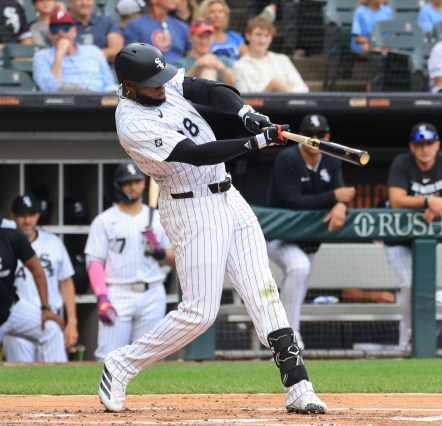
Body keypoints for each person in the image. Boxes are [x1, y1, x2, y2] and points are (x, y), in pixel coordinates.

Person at [97, 42, 327, 415]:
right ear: (128, 86)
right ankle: (122, 363)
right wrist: (254, 141)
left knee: (264, 293)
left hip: (228, 196)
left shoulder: (159, 84)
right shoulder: (132, 122)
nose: (161, 87)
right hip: (191, 207)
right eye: (152, 84)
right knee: (200, 313)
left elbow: (207, 89)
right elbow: (194, 153)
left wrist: (245, 112)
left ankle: (299, 387)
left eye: (161, 79)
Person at [266, 114, 356, 350]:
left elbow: (342, 193)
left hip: (308, 240)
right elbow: (293, 201)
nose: (314, 140)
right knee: (299, 267)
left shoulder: (331, 160)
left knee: (301, 278)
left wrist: (341, 205)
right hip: (278, 235)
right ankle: (288, 335)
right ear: (300, 137)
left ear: (327, 137)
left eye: (320, 135)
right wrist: (334, 197)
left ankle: (284, 334)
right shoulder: (287, 159)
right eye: (310, 135)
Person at [84, 161, 175, 361]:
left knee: (147, 358)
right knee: (109, 356)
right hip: (118, 292)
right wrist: (102, 298)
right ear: (118, 185)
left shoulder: (159, 219)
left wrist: (159, 252)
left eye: (136, 181)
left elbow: (174, 259)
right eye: (127, 183)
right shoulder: (105, 220)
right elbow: (95, 262)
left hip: (152, 292)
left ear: (144, 183)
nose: (133, 187)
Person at [385, 123, 442, 350]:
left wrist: (440, 203)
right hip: (398, 239)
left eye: (429, 143)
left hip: (427, 241)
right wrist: (428, 201)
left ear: (437, 144)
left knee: (426, 288)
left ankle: (416, 339)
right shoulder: (402, 163)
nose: (425, 149)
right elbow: (397, 200)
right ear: (412, 146)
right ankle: (407, 339)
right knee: (410, 284)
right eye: (420, 144)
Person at [2, 195, 78, 362]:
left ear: (38, 215)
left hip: (46, 313)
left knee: (56, 368)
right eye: (22, 215)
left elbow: (66, 281)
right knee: (21, 378)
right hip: (16, 312)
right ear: (12, 216)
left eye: (32, 214)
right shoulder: (8, 241)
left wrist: (72, 321)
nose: (27, 220)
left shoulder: (53, 242)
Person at [0, 226, 65, 361]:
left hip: (12, 309)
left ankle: (58, 381)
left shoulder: (11, 236)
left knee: (51, 329)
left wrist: (45, 307)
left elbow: (37, 269)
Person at [32, 8, 118, 92]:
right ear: (50, 33)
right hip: (65, 102)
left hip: (96, 100)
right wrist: (59, 55)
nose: (61, 33)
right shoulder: (41, 56)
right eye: (55, 29)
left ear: (74, 31)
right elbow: (49, 89)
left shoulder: (94, 51)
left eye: (65, 28)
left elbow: (109, 84)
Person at [233, 17, 308, 93]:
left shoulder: (283, 60)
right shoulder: (239, 66)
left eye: (267, 35)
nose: (262, 40)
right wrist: (270, 88)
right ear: (248, 36)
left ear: (271, 38)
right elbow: (243, 101)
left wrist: (284, 88)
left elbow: (303, 90)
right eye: (258, 35)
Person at [123, 0, 191, 64]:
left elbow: (193, 54)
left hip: (181, 72)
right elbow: (133, 56)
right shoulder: (134, 25)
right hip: (149, 72)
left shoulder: (182, 26)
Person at [174, 18, 235, 85]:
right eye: (200, 37)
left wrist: (223, 69)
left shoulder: (224, 61)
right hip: (191, 95)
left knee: (210, 71)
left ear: (213, 37)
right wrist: (196, 67)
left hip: (220, 94)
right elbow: (176, 87)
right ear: (190, 37)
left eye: (208, 37)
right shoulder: (180, 64)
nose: (204, 42)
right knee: (208, 71)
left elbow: (234, 86)